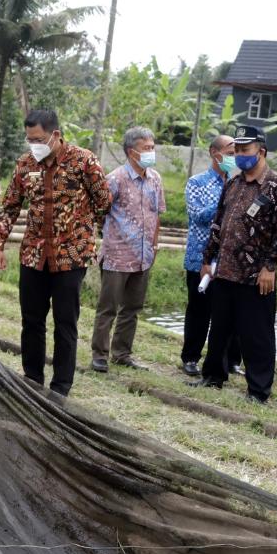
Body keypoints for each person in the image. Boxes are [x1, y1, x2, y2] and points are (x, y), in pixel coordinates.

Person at [0, 109, 112, 397]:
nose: (33, 144)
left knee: (64, 322)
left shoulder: (83, 161)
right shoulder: (24, 165)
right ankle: (32, 380)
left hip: (70, 256)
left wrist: (82, 232)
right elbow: (9, 207)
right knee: (31, 321)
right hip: (33, 255)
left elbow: (104, 202)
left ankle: (60, 388)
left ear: (55, 135)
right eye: (29, 139)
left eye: (39, 139)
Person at [192, 125, 277, 403]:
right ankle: (213, 376)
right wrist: (206, 260)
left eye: (244, 150)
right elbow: (218, 226)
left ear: (261, 150)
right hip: (225, 270)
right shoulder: (233, 184)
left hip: (255, 275)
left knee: (256, 335)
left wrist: (270, 267)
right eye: (236, 150)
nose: (239, 155)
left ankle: (258, 390)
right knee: (220, 329)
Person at [90, 126, 166, 372]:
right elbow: (98, 213)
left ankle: (122, 353)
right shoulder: (115, 179)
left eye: (153, 147)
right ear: (132, 152)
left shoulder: (155, 179)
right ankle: (99, 355)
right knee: (108, 308)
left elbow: (157, 215)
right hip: (117, 255)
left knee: (132, 308)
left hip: (143, 256)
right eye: (147, 148)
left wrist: (153, 245)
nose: (151, 152)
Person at [181, 134, 239, 376]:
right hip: (200, 259)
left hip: (230, 262)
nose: (234, 157)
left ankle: (228, 362)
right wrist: (225, 202)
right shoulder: (197, 182)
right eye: (230, 152)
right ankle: (190, 357)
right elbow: (198, 215)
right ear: (216, 154)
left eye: (236, 152)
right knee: (199, 311)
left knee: (228, 314)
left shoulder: (240, 183)